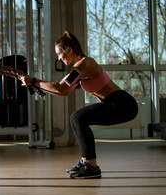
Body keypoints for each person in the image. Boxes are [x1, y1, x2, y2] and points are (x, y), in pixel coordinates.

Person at [21, 31, 138, 179]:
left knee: (78, 118)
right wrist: (34, 83)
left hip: (123, 104)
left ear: (69, 50)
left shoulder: (84, 65)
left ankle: (91, 166)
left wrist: (34, 81)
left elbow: (60, 88)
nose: (58, 58)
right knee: (77, 118)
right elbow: (63, 91)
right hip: (115, 103)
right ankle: (85, 162)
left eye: (59, 54)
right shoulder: (80, 68)